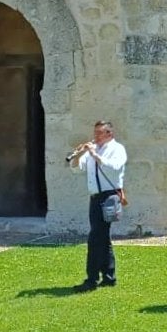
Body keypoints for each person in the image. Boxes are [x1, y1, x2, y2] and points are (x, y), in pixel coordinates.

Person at [68, 120, 126, 292]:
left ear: (109, 134)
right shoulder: (92, 150)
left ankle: (91, 279)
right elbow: (76, 169)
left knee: (95, 238)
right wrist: (78, 155)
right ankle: (109, 277)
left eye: (100, 133)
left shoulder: (117, 149)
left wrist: (95, 155)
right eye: (95, 132)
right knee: (103, 237)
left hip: (109, 196)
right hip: (95, 197)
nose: (96, 136)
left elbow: (114, 167)